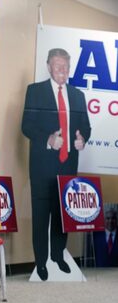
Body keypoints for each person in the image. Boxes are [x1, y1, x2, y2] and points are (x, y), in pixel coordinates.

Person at [21, 48, 91, 281]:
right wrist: (49, 139)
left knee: (63, 215)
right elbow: (27, 126)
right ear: (49, 66)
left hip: (68, 164)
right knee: (41, 215)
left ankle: (58, 256)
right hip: (42, 165)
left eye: (66, 67)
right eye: (58, 66)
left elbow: (85, 127)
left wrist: (83, 139)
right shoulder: (35, 91)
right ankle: (41, 262)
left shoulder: (78, 95)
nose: (62, 70)